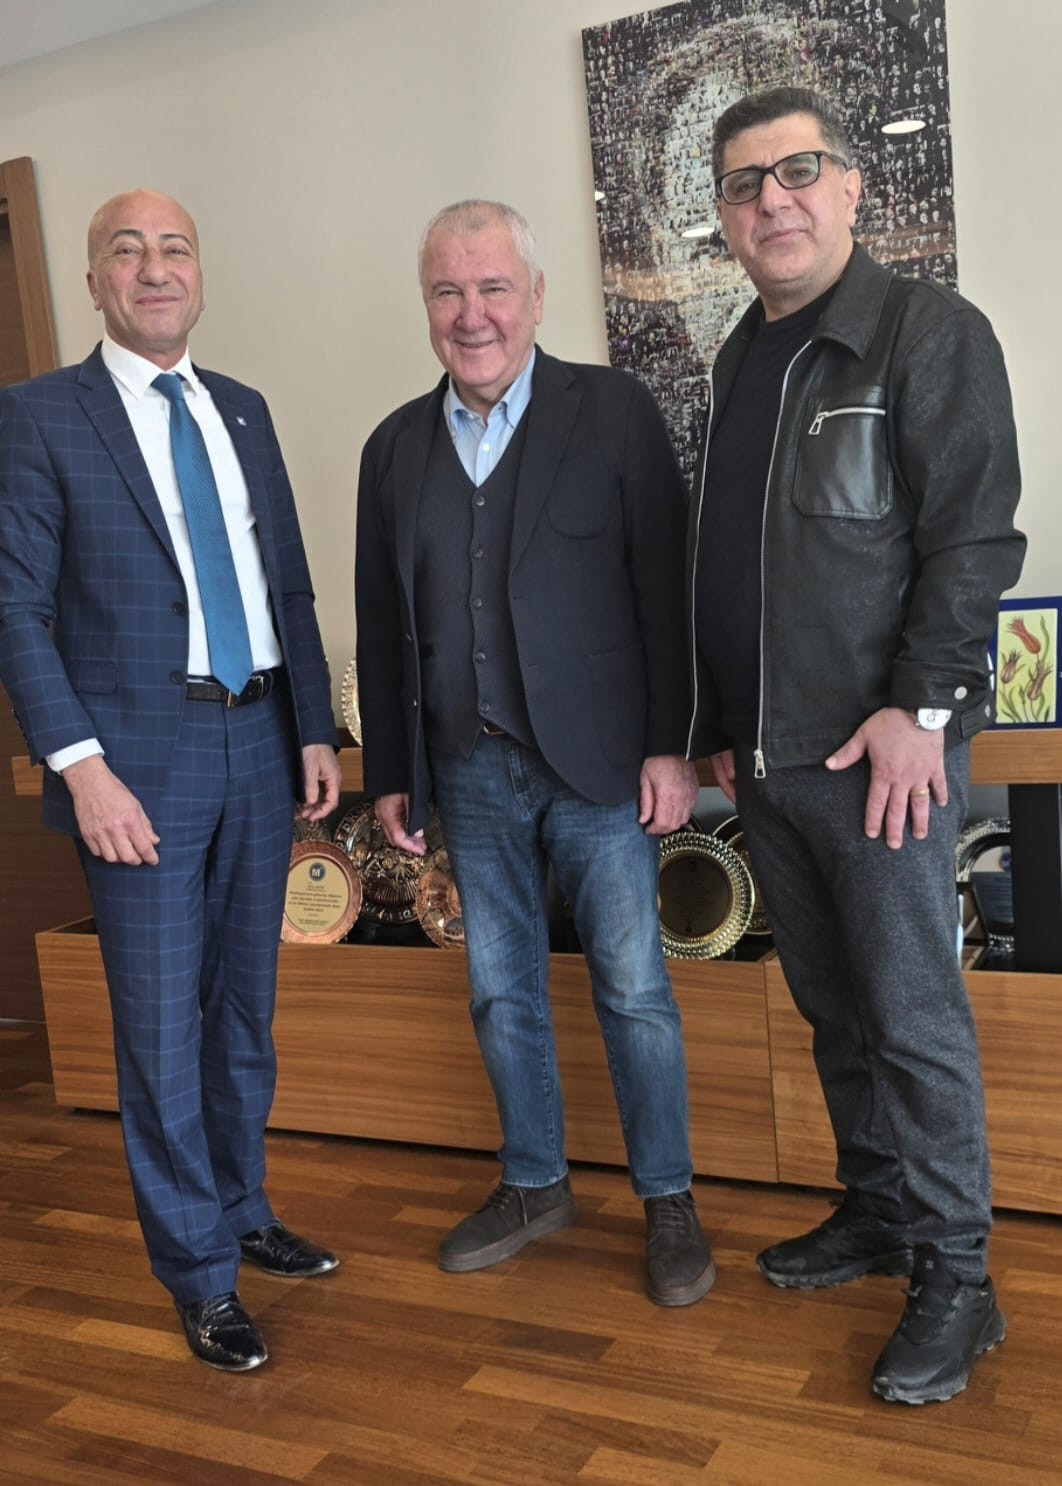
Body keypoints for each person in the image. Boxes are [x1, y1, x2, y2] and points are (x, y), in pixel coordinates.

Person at [689, 86, 1025, 1403]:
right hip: (770, 764)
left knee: (911, 1016)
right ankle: (879, 1208)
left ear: (849, 187)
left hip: (879, 758)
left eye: (796, 170)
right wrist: (721, 728)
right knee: (832, 1006)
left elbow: (973, 536)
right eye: (743, 183)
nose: (771, 199)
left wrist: (923, 710)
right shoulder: (738, 359)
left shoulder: (926, 332)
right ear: (725, 219)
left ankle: (959, 1278)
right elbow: (735, 563)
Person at [0, 190, 343, 1372]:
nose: (155, 269)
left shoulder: (240, 408)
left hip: (260, 741)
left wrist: (314, 728)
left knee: (245, 1012)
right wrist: (82, 768)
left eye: (174, 249)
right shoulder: (38, 416)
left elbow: (287, 583)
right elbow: (14, 608)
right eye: (127, 251)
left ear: (200, 274)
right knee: (157, 1029)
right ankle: (199, 1274)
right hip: (137, 771)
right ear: (95, 281)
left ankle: (242, 1209)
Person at [355, 200, 713, 1307]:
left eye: (493, 287)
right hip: (467, 767)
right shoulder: (393, 448)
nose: (472, 314)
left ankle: (669, 1199)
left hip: (601, 765)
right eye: (448, 292)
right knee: (499, 989)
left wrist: (674, 747)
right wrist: (392, 770)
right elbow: (381, 619)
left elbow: (666, 591)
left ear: (537, 297)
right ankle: (534, 1181)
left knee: (634, 990)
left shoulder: (612, 411)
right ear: (426, 306)